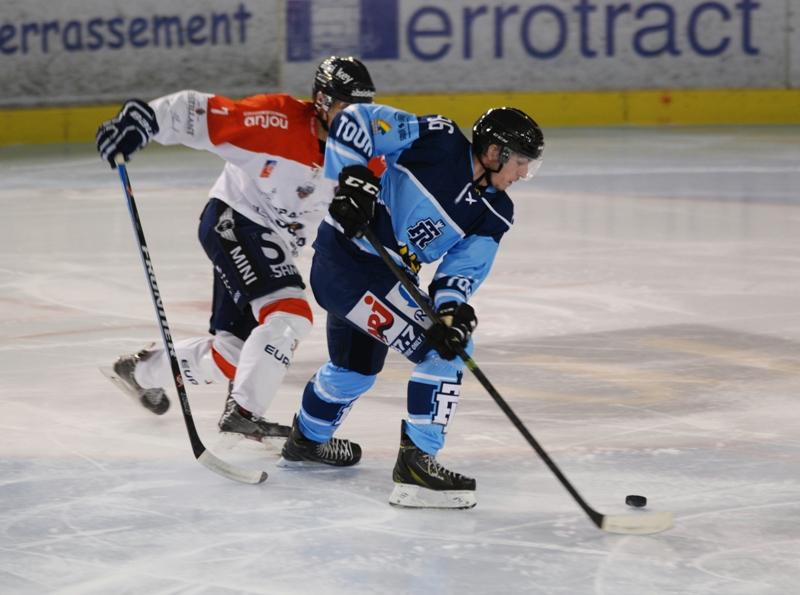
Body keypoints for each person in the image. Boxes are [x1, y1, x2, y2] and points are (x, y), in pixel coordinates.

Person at [95, 56, 377, 444]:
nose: (356, 120)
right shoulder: (277, 121)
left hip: (270, 244)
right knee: (289, 313)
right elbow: (204, 113)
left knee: (235, 355)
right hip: (235, 220)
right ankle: (245, 414)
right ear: (322, 102)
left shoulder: (365, 156)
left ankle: (141, 371)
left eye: (363, 110)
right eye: (347, 108)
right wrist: (143, 120)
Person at [277, 103, 544, 509]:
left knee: (355, 369)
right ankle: (417, 466)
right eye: (521, 162)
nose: (523, 173)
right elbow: (356, 121)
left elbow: (460, 271)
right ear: (494, 152)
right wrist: (352, 176)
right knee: (446, 353)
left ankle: (307, 440)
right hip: (351, 262)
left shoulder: (496, 212)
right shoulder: (438, 138)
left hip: (378, 278)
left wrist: (451, 311)